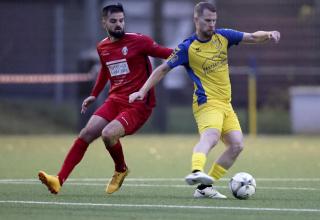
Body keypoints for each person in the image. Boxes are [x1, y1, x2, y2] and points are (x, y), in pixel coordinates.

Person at [129, 1, 280, 199]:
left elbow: (252, 36)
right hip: (206, 102)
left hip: (226, 104)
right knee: (211, 137)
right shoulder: (187, 47)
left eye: (214, 21)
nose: (212, 25)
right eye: (207, 21)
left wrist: (269, 34)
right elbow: (162, 69)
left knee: (236, 145)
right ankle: (196, 170)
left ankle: (204, 189)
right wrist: (142, 90)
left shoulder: (223, 36)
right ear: (196, 20)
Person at [38, 3, 172, 195]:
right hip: (115, 100)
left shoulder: (139, 41)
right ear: (104, 23)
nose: (119, 24)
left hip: (138, 104)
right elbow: (105, 70)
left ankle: (121, 169)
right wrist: (94, 94)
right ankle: (58, 180)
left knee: (108, 134)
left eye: (121, 20)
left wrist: (193, 54)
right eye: (113, 21)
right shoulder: (103, 47)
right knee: (86, 133)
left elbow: (168, 53)